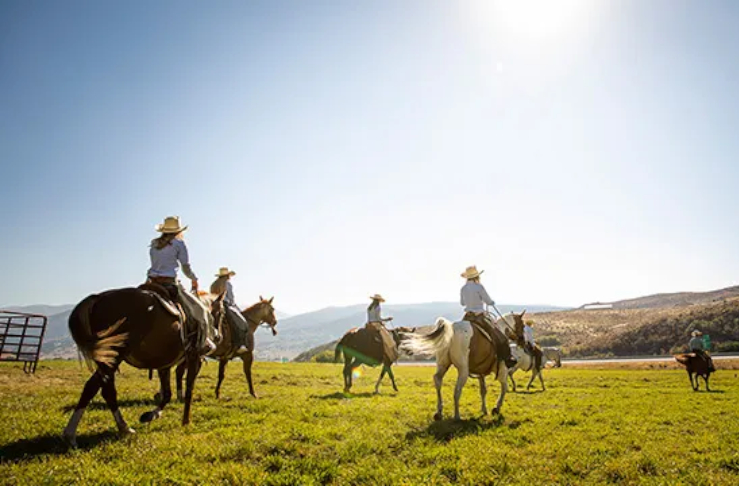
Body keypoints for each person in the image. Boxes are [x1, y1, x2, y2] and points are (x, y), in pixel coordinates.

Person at [147, 216, 215, 355]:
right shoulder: (179, 244)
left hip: (151, 281)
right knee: (200, 310)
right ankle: (202, 344)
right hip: (169, 283)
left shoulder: (154, 244)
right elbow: (185, 268)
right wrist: (194, 279)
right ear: (178, 231)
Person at [460, 265, 516, 368]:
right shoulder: (479, 287)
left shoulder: (463, 288)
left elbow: (462, 303)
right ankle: (507, 359)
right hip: (479, 316)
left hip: (467, 316)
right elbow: (488, 300)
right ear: (476, 276)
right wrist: (491, 302)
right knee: (500, 337)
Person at [211, 267, 249, 355]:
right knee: (241, 323)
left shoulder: (214, 284)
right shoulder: (227, 284)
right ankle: (240, 344)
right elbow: (231, 299)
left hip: (213, 305)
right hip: (225, 305)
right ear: (227, 276)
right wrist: (237, 308)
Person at [365, 294, 398, 364]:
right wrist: (387, 319)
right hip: (376, 325)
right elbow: (378, 319)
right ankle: (389, 354)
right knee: (388, 339)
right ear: (378, 301)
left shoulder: (369, 307)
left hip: (369, 324)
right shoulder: (378, 307)